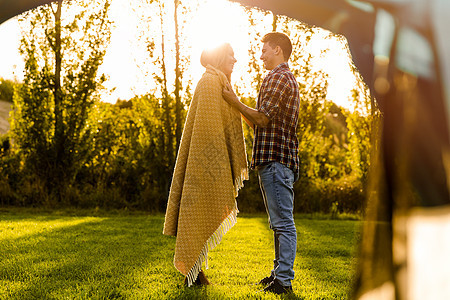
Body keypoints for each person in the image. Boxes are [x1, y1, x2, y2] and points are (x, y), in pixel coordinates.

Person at [163, 43, 248, 287]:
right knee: (196, 215)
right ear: (221, 56)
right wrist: (215, 166)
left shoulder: (220, 82)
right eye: (231, 55)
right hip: (204, 167)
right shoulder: (211, 82)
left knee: (198, 216)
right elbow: (207, 132)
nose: (235, 59)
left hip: (207, 164)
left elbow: (221, 127)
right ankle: (194, 274)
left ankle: (196, 275)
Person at [222, 32, 300, 295]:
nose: (261, 55)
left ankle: (284, 281)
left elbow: (263, 119)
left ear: (277, 50)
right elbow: (257, 121)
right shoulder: (277, 77)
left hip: (277, 159)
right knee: (277, 222)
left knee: (283, 223)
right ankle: (278, 274)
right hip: (273, 161)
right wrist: (236, 103)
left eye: (264, 50)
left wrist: (235, 102)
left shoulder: (279, 77)